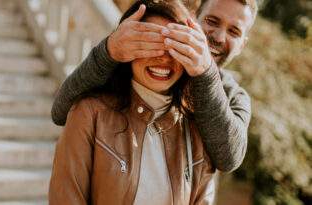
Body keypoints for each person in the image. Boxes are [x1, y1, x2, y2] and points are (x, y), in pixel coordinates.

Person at [51, 0, 257, 172]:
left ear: (242, 44)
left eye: (234, 31)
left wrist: (205, 73)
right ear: (192, 19)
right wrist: (108, 51)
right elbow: (60, 112)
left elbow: (229, 159)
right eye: (212, 21)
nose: (219, 37)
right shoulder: (143, 66)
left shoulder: (234, 96)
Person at [49, 0, 215, 204]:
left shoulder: (197, 130)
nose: (164, 57)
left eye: (175, 46)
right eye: (151, 43)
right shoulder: (89, 113)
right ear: (127, 48)